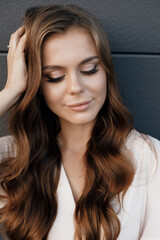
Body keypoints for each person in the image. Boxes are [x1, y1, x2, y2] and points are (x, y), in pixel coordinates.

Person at [0, 4, 160, 240]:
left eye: (89, 69)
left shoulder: (149, 157)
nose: (76, 87)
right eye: (55, 77)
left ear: (106, 71)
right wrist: (11, 90)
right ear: (36, 83)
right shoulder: (13, 157)